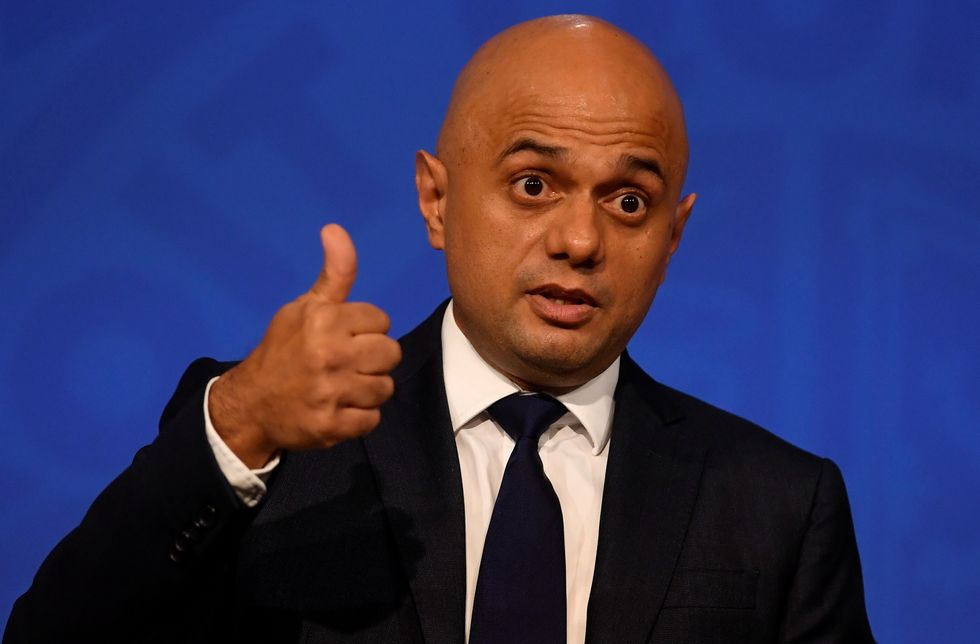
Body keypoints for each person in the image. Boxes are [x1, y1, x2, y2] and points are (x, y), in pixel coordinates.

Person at [4, 15, 873, 644]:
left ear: (673, 236)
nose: (579, 240)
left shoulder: (779, 507)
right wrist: (234, 428)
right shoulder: (278, 446)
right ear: (437, 198)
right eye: (534, 184)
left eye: (629, 201)